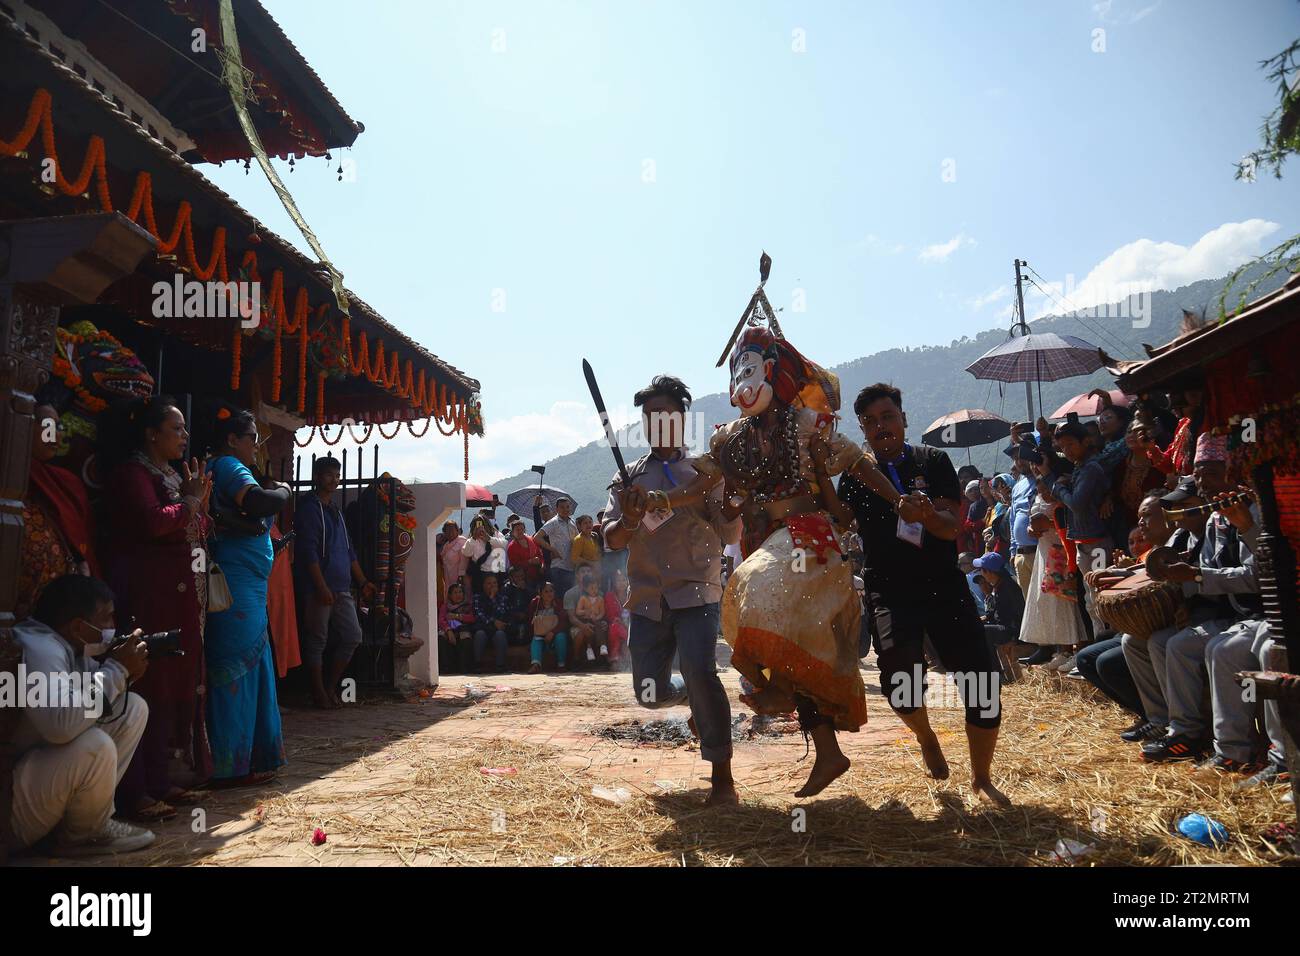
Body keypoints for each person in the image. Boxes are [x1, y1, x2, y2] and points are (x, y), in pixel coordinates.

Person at [837, 383, 1009, 806]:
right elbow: (839, 521)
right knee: (899, 679)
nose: (881, 427)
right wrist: (821, 470)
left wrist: (927, 513)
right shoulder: (856, 475)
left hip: (943, 585)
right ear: (862, 429)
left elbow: (951, 528)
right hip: (889, 591)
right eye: (871, 422)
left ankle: (982, 778)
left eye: (888, 417)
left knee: (982, 682)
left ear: (904, 418)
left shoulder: (933, 461)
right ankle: (926, 736)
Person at [602, 374, 742, 805]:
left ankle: (723, 778)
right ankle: (689, 698)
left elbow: (730, 532)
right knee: (649, 693)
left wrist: (732, 507)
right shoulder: (628, 479)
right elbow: (612, 539)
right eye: (649, 416)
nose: (657, 421)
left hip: (697, 591)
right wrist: (627, 518)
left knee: (703, 670)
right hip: (647, 598)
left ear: (682, 418)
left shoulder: (705, 471)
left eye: (666, 413)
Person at [100, 397, 212, 820]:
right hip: (149, 593)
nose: (184, 437)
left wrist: (196, 504)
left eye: (184, 430)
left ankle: (163, 779)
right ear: (151, 433)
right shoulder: (133, 474)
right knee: (149, 683)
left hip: (179, 596)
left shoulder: (172, 475)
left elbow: (194, 525)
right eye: (176, 428)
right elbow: (154, 522)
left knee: (173, 685)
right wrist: (190, 503)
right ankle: (136, 790)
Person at [11, 575, 154, 855]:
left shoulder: (69, 646)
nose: (112, 628)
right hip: (12, 808)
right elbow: (60, 725)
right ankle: (84, 835)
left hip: (34, 780)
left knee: (132, 707)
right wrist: (116, 671)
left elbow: (86, 704)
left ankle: (82, 826)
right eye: (106, 619)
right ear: (78, 626)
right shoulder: (40, 648)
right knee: (95, 745)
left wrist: (124, 674)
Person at [204, 407, 289, 785]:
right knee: (235, 667)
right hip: (237, 586)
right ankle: (229, 764)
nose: (257, 445)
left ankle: (251, 759)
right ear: (232, 440)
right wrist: (285, 491)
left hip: (249, 585)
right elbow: (256, 502)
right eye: (252, 437)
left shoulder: (230, 468)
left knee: (252, 666)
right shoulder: (227, 466)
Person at [294, 456, 376, 708]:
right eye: (329, 474)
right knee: (317, 638)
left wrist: (363, 582)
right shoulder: (308, 508)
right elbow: (307, 551)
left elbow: (349, 550)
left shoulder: (335, 511)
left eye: (337, 475)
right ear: (317, 476)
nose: (334, 480)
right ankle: (318, 692)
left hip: (342, 587)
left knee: (352, 635)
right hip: (318, 587)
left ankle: (330, 686)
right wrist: (320, 586)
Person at [17, 402, 97, 620]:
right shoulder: (11, 473)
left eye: (60, 428)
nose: (56, 435)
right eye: (49, 426)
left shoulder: (66, 482)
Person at [1018, 468, 1087, 670]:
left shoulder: (1063, 503)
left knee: (1068, 601)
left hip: (1064, 553)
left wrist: (1047, 524)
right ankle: (1063, 650)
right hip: (1045, 553)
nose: (1044, 495)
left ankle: (1079, 649)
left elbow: (1070, 525)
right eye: (1041, 492)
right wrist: (1033, 530)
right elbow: (1034, 526)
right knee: (1051, 602)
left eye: (1047, 491)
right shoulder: (1039, 498)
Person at [972, 551, 1024, 679]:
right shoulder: (998, 585)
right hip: (1002, 626)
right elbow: (995, 612)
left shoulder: (1009, 587)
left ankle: (995, 673)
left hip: (1010, 630)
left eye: (982, 571)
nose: (981, 574)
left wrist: (1015, 638)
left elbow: (1020, 612)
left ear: (989, 571)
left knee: (983, 631)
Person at [537, 497, 579, 596]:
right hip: (559, 567)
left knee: (571, 597)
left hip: (572, 567)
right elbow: (537, 537)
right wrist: (552, 549)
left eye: (567, 507)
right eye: (562, 507)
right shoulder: (553, 522)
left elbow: (577, 540)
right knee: (561, 597)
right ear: (557, 509)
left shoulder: (572, 522)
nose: (565, 510)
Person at [471, 573, 511, 672]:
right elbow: (479, 615)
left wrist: (493, 599)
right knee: (480, 634)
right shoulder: (477, 597)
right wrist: (493, 621)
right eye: (489, 583)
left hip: (497, 629)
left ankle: (500, 666)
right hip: (484, 628)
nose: (492, 586)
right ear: (483, 585)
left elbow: (501, 614)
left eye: (494, 583)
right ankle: (477, 665)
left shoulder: (502, 598)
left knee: (500, 634)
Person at [528, 581, 569, 673]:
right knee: (536, 640)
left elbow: (563, 622)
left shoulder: (558, 603)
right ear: (541, 593)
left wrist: (553, 632)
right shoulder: (535, 603)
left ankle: (561, 664)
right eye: (546, 591)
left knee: (561, 637)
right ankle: (536, 665)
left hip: (555, 634)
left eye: (551, 591)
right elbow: (531, 622)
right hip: (540, 634)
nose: (549, 594)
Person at [437, 582, 475, 674]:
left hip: (463, 629)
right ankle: (445, 668)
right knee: (441, 637)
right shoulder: (445, 606)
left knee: (465, 638)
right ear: (450, 595)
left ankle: (463, 668)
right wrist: (448, 630)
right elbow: (441, 620)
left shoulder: (467, 606)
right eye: (455, 592)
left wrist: (457, 616)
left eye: (460, 592)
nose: (458, 595)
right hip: (448, 630)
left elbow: (472, 618)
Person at [573, 573, 611, 667]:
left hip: (597, 620)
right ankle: (589, 649)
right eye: (591, 588)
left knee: (599, 628)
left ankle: (603, 645)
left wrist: (597, 618)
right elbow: (578, 611)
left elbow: (602, 612)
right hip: (586, 620)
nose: (594, 590)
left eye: (596, 588)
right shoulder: (583, 599)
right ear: (586, 589)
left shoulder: (600, 599)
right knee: (588, 630)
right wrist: (586, 612)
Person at [506, 519, 544, 591]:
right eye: (517, 530)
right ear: (513, 532)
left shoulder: (531, 540)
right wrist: (529, 562)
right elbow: (515, 565)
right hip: (524, 579)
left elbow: (540, 554)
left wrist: (542, 564)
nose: (520, 531)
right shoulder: (512, 547)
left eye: (522, 529)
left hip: (538, 574)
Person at [440, 521, 468, 598]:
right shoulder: (446, 545)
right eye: (447, 530)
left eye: (452, 530)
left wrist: (461, 577)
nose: (450, 532)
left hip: (459, 579)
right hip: (448, 578)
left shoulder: (462, 542)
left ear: (457, 531)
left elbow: (464, 562)